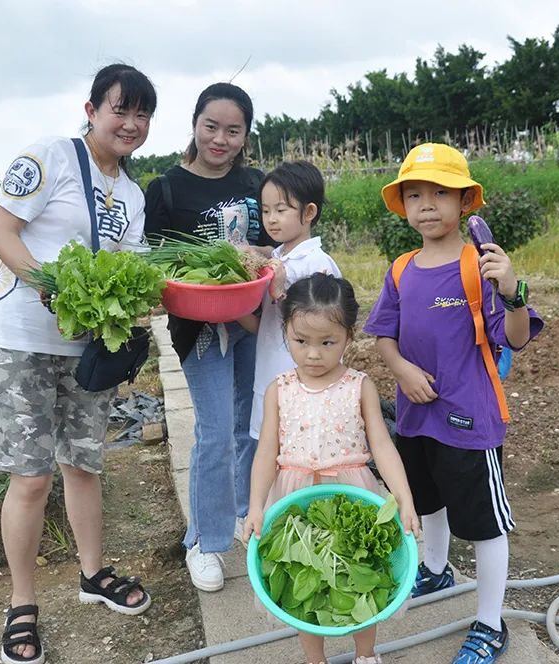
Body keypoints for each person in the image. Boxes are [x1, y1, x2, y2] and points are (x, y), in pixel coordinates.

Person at [0, 63, 155, 664]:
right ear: (91, 110)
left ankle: (92, 574)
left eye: (141, 114)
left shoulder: (130, 193)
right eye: (119, 110)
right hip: (19, 336)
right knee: (30, 476)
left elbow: (131, 270)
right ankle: (21, 604)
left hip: (84, 348)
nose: (130, 124)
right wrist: (53, 288)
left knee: (84, 463)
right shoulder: (49, 157)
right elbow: (1, 233)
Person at [363, 143, 543, 664]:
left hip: (469, 419)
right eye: (414, 194)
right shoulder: (401, 269)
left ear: (465, 202)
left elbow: (514, 337)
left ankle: (490, 622)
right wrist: (401, 370)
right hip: (418, 414)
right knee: (427, 501)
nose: (426, 204)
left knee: (485, 524)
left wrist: (511, 291)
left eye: (440, 192)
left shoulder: (477, 267)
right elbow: (383, 337)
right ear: (403, 206)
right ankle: (437, 569)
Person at [242, 273, 421, 664]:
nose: (313, 354)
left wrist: (404, 500)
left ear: (349, 337)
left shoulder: (360, 385)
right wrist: (255, 506)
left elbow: (383, 447)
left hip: (352, 493)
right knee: (303, 582)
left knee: (362, 575)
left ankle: (366, 654)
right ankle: (314, 658)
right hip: (295, 498)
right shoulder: (279, 388)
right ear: (285, 331)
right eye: (300, 342)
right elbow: (266, 453)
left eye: (328, 343)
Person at [143, 82, 274, 592]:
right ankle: (202, 540)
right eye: (211, 126)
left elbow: (272, 241)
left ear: (245, 136)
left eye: (233, 130)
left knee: (248, 427)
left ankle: (245, 517)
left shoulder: (256, 182)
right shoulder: (166, 189)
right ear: (195, 124)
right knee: (216, 433)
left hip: (252, 321)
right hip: (199, 327)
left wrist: (260, 260)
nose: (220, 139)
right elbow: (153, 263)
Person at [237, 160, 341, 442]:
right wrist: (233, 303)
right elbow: (265, 327)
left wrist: (282, 289)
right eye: (266, 210)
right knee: (275, 455)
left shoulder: (318, 264)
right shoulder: (276, 259)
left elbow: (328, 328)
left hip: (307, 386)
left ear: (309, 212)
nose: (271, 219)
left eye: (281, 210)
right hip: (271, 378)